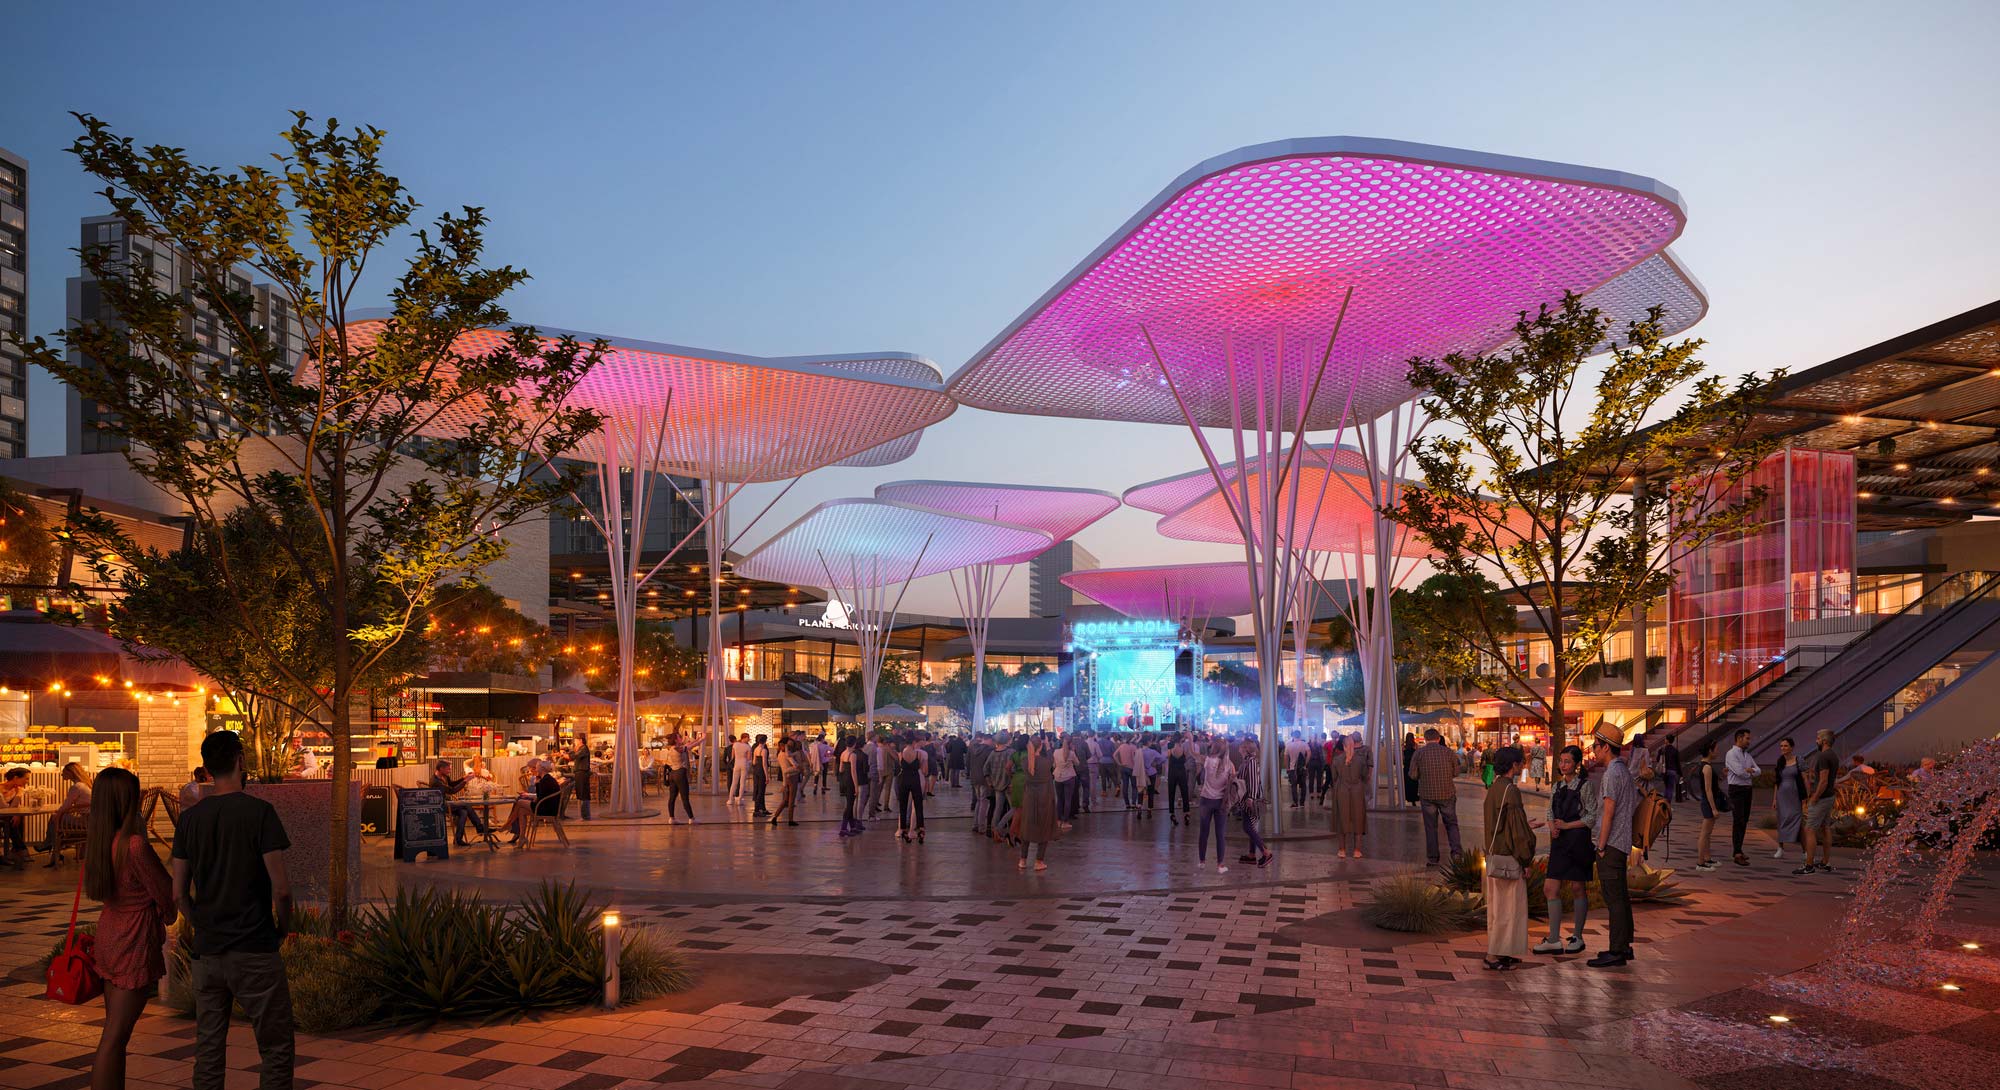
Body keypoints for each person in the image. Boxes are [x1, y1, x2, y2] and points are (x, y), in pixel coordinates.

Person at [171, 730, 294, 1090]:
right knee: (275, 1047)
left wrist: (200, 923)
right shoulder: (260, 813)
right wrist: (282, 928)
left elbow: (178, 893)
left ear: (206, 768)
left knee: (208, 1048)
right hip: (255, 946)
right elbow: (282, 889)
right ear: (241, 761)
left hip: (208, 952)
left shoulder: (190, 820)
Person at [84, 767, 176, 1090]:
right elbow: (166, 893)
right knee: (114, 1038)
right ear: (128, 800)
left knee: (114, 1034)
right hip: (133, 940)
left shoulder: (99, 843)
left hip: (110, 933)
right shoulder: (133, 845)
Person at [1481, 747, 1540, 971]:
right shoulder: (1510, 790)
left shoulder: (1494, 788)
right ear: (1513, 765)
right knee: (1509, 909)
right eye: (1521, 763)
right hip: (1509, 856)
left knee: (1498, 908)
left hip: (1495, 854)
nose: (1523, 766)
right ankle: (1494, 955)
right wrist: (1525, 859)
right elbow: (1517, 832)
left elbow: (1503, 823)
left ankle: (1501, 952)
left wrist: (1525, 824)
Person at [1535, 745, 1593, 956]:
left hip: (1578, 842)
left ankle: (1577, 936)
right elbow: (1550, 811)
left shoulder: (1585, 786)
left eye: (1567, 761)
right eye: (1561, 761)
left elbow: (1591, 817)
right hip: (1559, 843)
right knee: (1550, 888)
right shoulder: (1557, 786)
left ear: (1577, 765)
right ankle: (1553, 938)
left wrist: (1567, 826)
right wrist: (1552, 827)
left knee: (1578, 887)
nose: (1562, 765)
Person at [1588, 735, 1638, 968]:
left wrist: (1600, 845)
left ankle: (1617, 950)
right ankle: (1624, 945)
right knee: (1621, 896)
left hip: (1612, 844)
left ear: (1606, 747)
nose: (1594, 751)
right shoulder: (1624, 772)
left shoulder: (1611, 774)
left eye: (1596, 747)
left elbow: (1608, 812)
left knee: (1614, 898)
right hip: (1622, 841)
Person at [1412, 729, 1462, 864]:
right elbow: (1457, 772)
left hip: (1427, 795)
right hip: (1447, 794)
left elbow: (1413, 775)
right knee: (1451, 824)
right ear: (1438, 739)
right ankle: (1456, 853)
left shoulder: (1419, 753)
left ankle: (1433, 858)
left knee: (1430, 827)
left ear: (1425, 739)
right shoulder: (1449, 752)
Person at [1797, 729, 1840, 875]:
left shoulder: (1823, 756)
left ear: (1824, 741)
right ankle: (1825, 862)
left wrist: (1814, 798)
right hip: (1829, 796)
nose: (1816, 741)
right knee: (1825, 827)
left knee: (1809, 829)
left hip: (1821, 798)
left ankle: (1809, 865)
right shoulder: (1833, 755)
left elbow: (1823, 781)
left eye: (1818, 738)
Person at [1015, 735, 1058, 870]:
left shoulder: (1024, 761)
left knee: (1027, 827)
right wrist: (1048, 745)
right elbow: (1051, 757)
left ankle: (1022, 860)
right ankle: (1038, 861)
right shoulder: (1047, 762)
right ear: (1041, 746)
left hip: (1029, 798)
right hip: (1044, 797)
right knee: (1043, 828)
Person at [1195, 738, 1236, 874]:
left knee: (1203, 832)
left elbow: (1192, 753)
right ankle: (1220, 865)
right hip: (1221, 803)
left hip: (1206, 800)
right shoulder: (1230, 765)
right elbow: (1232, 783)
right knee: (1220, 834)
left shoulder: (1207, 761)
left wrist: (1190, 740)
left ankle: (1202, 861)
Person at [429, 759, 492, 847]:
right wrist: (465, 781)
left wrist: (463, 778)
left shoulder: (444, 776)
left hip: (447, 802)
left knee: (464, 812)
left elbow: (452, 784)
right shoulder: (436, 781)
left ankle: (458, 839)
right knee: (466, 804)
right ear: (441, 768)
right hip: (440, 805)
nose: (450, 771)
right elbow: (452, 790)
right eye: (448, 769)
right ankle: (480, 827)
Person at [37, 760, 93, 856]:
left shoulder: (77, 787)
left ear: (71, 773)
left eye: (64, 772)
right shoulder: (84, 785)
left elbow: (66, 806)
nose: (61, 774)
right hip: (90, 819)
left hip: (85, 821)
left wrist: (58, 813)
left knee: (54, 817)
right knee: (56, 817)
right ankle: (53, 845)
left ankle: (51, 845)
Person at [1329, 734, 1371, 859]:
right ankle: (1357, 850)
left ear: (1343, 746)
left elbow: (1334, 777)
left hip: (1342, 790)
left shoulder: (1337, 760)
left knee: (1342, 818)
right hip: (1357, 790)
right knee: (1358, 819)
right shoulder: (1361, 759)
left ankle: (1342, 850)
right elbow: (1365, 776)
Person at [1234, 738, 1272, 867]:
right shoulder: (1248, 762)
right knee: (1250, 826)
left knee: (1248, 826)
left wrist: (1251, 797)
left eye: (1241, 747)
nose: (1239, 749)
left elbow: (1254, 781)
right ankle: (1251, 855)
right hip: (1247, 798)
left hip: (1250, 799)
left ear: (1245, 749)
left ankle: (1265, 852)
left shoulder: (1251, 762)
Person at [1724, 729, 1759, 866]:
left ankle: (1739, 849)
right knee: (1738, 820)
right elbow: (1739, 772)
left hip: (1747, 789)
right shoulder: (1731, 754)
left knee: (1744, 820)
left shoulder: (1747, 756)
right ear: (1739, 738)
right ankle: (1736, 852)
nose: (1749, 741)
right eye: (1747, 738)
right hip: (1737, 789)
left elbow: (1758, 770)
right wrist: (1749, 771)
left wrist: (1750, 771)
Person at [1693, 739, 1727, 870]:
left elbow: (1712, 785)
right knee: (1705, 833)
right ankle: (1700, 862)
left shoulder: (1706, 766)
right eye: (1715, 749)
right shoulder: (1706, 767)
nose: (1717, 751)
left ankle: (1707, 858)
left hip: (1708, 802)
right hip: (1708, 803)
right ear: (1710, 751)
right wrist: (1713, 809)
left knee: (1707, 833)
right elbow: (1708, 789)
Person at [1771, 738, 1803, 862]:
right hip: (1782, 795)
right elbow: (1776, 782)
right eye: (1781, 746)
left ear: (1791, 747)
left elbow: (1805, 778)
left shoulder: (1798, 760)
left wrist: (1806, 796)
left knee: (1798, 820)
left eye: (1785, 746)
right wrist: (1774, 799)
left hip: (1795, 794)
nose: (1783, 748)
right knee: (1782, 820)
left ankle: (1805, 850)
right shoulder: (1780, 762)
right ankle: (1780, 847)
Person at [895, 735, 926, 843]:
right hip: (915, 780)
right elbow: (924, 770)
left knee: (903, 806)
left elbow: (901, 766)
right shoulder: (919, 754)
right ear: (913, 742)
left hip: (903, 780)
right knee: (918, 805)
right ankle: (921, 829)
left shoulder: (900, 754)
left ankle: (902, 830)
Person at [2, 765, 32, 864]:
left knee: (18, 818)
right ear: (15, 778)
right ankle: (21, 849)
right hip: (3, 815)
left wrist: (17, 814)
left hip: (6, 816)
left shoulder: (17, 789)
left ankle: (17, 849)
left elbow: (13, 808)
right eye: (26, 779)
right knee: (12, 821)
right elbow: (8, 809)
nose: (27, 782)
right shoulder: (1, 789)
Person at [770, 741, 802, 828]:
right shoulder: (787, 755)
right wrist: (798, 768)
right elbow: (795, 765)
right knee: (791, 800)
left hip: (787, 778)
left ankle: (775, 817)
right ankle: (790, 820)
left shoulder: (779, 754)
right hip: (792, 776)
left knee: (785, 800)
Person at [1052, 738, 1077, 827]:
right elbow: (1077, 763)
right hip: (1069, 777)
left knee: (1059, 799)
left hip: (1058, 777)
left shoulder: (1055, 752)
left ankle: (1058, 820)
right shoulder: (1072, 753)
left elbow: (1054, 765)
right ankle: (1065, 821)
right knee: (1068, 800)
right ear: (1070, 744)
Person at [570, 740, 593, 821]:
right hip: (580, 773)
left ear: (580, 741)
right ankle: (584, 815)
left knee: (583, 793)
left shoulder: (583, 749)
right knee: (581, 793)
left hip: (582, 773)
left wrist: (565, 754)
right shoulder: (582, 749)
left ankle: (586, 816)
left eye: (575, 741)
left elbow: (574, 756)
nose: (575, 742)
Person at [748, 734, 770, 818]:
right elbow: (764, 764)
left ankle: (761, 809)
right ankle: (756, 810)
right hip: (761, 771)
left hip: (756, 770)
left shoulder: (756, 749)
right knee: (761, 791)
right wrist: (767, 776)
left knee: (757, 789)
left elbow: (753, 762)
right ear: (765, 741)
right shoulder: (764, 750)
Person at [728, 733, 751, 803]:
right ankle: (740, 799)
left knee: (734, 782)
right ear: (744, 737)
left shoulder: (735, 745)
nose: (749, 739)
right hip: (744, 764)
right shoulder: (748, 747)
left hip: (736, 764)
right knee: (742, 782)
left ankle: (730, 799)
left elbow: (732, 757)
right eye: (748, 738)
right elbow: (749, 758)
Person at [1402, 733, 1420, 809]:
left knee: (1406, 783)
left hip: (1406, 767)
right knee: (1414, 784)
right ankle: (1413, 799)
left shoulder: (1403, 746)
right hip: (1414, 767)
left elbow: (1402, 757)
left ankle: (1406, 797)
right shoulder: (1415, 745)